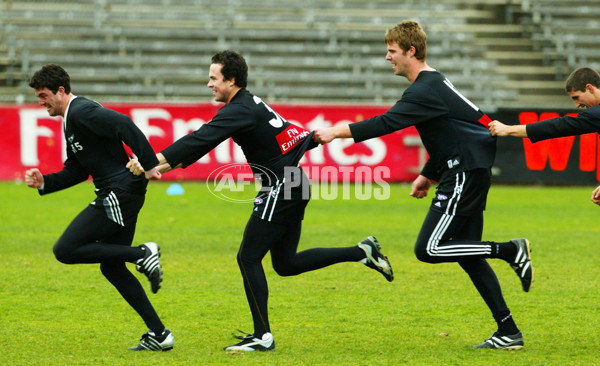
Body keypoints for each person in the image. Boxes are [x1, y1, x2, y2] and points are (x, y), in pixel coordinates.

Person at [127, 50, 394, 352]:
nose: (209, 84)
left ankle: (262, 336)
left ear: (230, 80)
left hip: (282, 186)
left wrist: (151, 162)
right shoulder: (247, 104)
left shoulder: (238, 110)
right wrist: (155, 167)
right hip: (293, 183)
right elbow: (198, 147)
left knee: (248, 257)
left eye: (213, 78)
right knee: (286, 263)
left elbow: (197, 140)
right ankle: (361, 251)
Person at [313, 21, 533, 350]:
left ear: (410, 51)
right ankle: (509, 332)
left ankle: (509, 249)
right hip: (468, 170)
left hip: (464, 173)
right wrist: (429, 173)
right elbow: (457, 129)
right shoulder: (434, 83)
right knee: (468, 254)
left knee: (429, 248)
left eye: (392, 51)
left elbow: (384, 123)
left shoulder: (424, 89)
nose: (388, 58)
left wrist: (335, 132)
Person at [24, 64, 174, 351]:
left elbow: (125, 124)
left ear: (60, 91)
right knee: (112, 268)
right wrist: (46, 181)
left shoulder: (81, 111)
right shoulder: (72, 118)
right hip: (122, 191)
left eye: (43, 96)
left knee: (64, 250)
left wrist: (150, 164)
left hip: (118, 191)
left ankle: (142, 253)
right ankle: (159, 334)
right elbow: (78, 170)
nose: (40, 102)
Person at [489, 67, 600, 204]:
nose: (577, 105)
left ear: (589, 88)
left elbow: (559, 127)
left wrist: (508, 129)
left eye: (576, 97)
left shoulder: (596, 115)